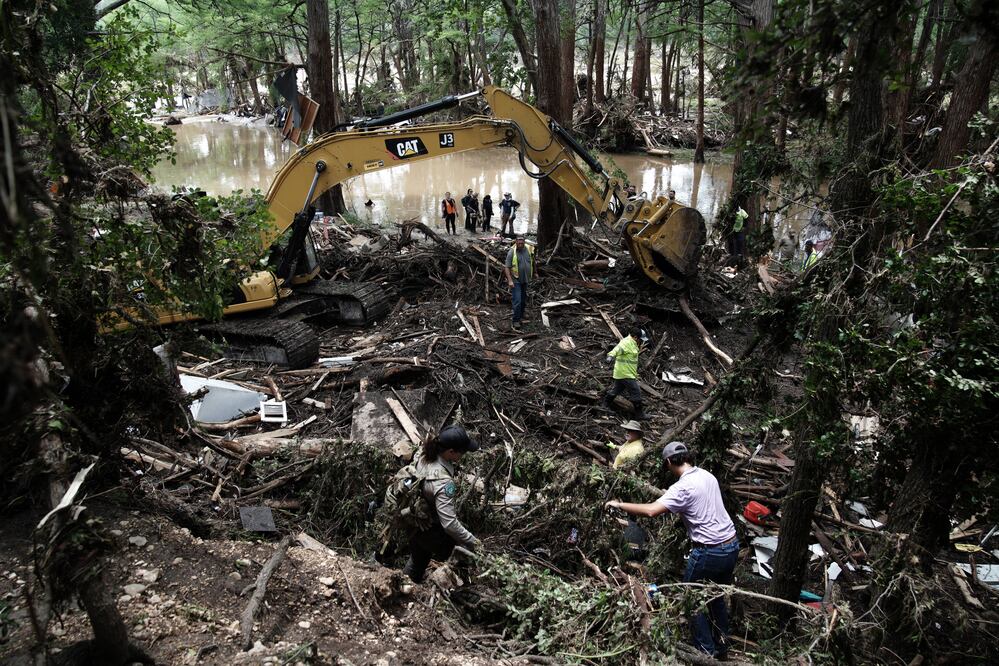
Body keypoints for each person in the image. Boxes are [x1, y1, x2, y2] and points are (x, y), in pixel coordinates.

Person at [606, 442, 739, 660]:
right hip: (731, 546)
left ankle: (705, 653)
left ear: (668, 462)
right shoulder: (707, 476)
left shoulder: (682, 488)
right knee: (715, 598)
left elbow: (651, 511)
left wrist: (620, 505)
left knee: (690, 600)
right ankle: (722, 646)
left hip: (709, 551)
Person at [403, 425, 481, 583]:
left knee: (418, 559)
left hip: (413, 520)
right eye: (462, 452)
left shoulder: (423, 453)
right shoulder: (444, 483)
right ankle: (462, 589)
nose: (463, 455)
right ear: (451, 452)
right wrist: (475, 543)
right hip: (430, 530)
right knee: (463, 554)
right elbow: (450, 524)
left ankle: (406, 585)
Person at [602, 327, 647, 420]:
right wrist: (610, 356)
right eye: (640, 339)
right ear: (635, 337)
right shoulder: (626, 343)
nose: (641, 341)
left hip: (623, 373)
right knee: (636, 392)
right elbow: (617, 349)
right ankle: (640, 415)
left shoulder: (633, 343)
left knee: (616, 390)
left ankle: (604, 406)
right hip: (625, 373)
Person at [504, 236, 534, 330]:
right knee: (517, 300)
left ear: (524, 242)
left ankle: (521, 314)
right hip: (515, 280)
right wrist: (510, 280)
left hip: (525, 279)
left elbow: (533, 262)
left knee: (523, 299)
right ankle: (516, 320)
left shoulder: (529, 249)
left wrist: (535, 272)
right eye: (518, 242)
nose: (520, 244)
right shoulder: (512, 252)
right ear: (516, 242)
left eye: (522, 242)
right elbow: (507, 267)